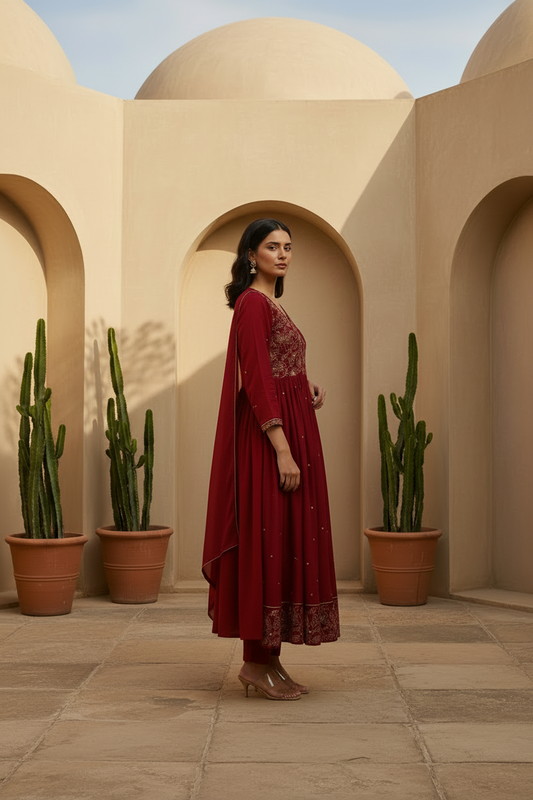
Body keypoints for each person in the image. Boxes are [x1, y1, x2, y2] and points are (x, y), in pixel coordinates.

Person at [202, 218, 339, 701]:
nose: (282, 255)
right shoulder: (252, 304)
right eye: (271, 247)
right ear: (250, 255)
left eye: (287, 247)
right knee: (266, 542)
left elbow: (280, 369)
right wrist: (282, 449)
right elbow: (257, 380)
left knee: (280, 542)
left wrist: (306, 385)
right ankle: (255, 664)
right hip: (268, 442)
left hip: (290, 426)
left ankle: (270, 660)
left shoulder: (269, 305)